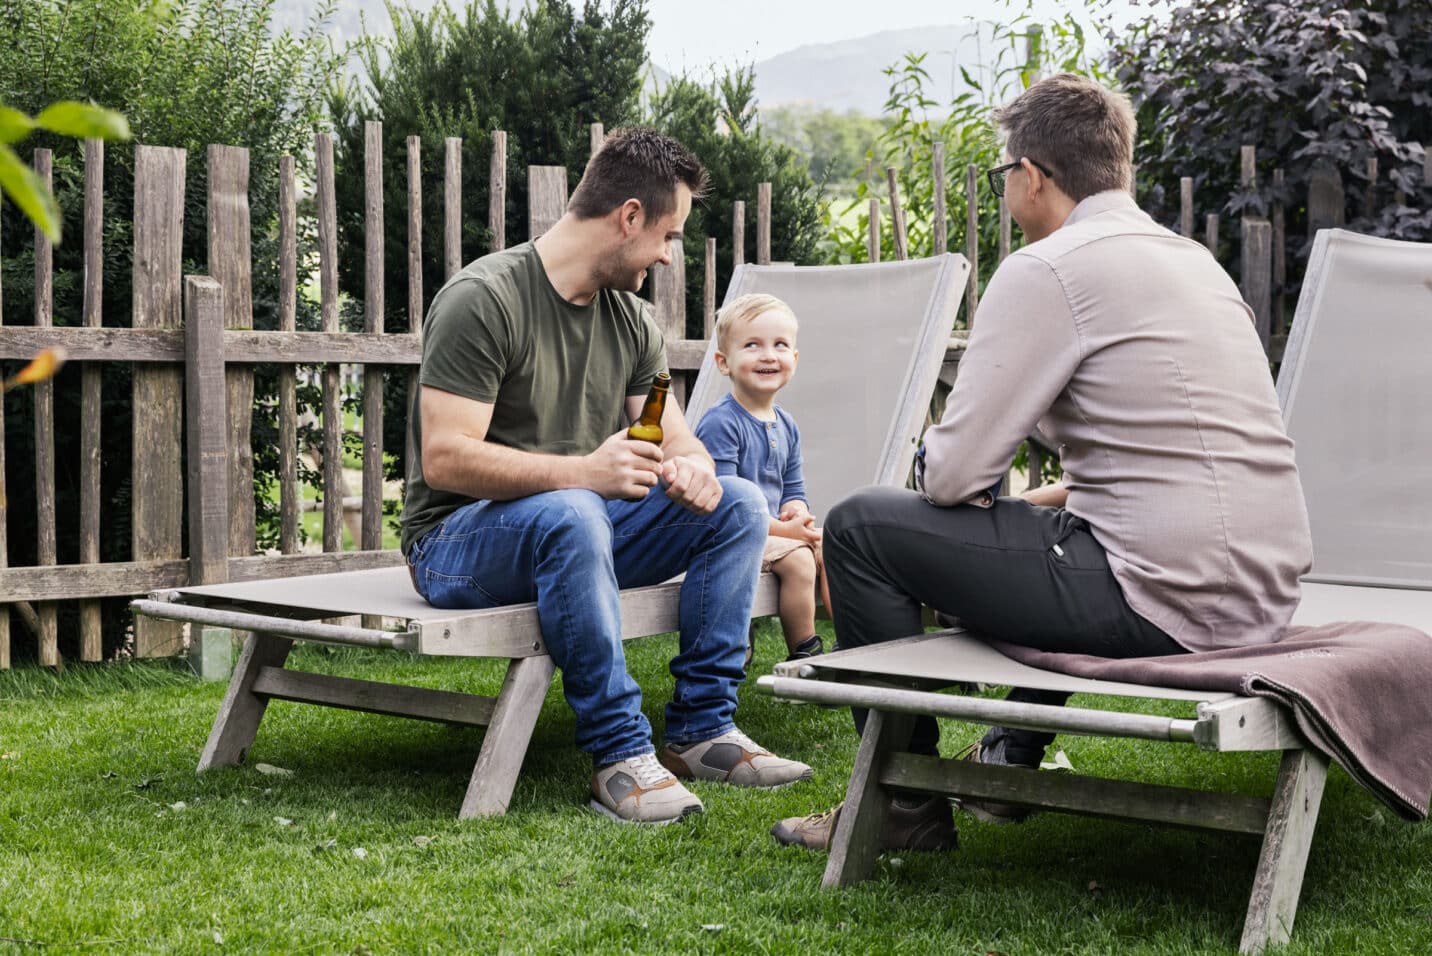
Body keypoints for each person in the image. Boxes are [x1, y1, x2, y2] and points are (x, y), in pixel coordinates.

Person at [771, 74, 1313, 851]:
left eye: (1002, 176)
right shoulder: (1195, 263)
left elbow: (955, 478)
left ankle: (904, 805)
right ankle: (1009, 757)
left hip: (1161, 598)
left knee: (860, 526)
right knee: (1055, 535)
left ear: (1030, 174)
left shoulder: (1047, 268)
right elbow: (1163, 463)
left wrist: (942, 466)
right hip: (1263, 591)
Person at [400, 127, 812, 826]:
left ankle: (701, 728)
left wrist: (697, 475)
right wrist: (585, 472)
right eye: (669, 236)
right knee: (574, 508)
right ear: (629, 218)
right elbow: (445, 458)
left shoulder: (632, 321)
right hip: (457, 545)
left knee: (739, 503)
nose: (669, 255)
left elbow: (678, 436)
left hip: (576, 530)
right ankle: (621, 754)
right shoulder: (485, 299)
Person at [695, 294, 833, 670]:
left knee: (832, 549)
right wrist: (790, 534)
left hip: (773, 531)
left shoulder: (786, 424)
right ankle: (805, 653)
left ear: (794, 360)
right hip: (730, 535)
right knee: (802, 561)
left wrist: (796, 512)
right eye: (752, 345)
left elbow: (793, 486)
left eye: (780, 345)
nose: (769, 355)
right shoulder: (722, 422)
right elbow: (724, 503)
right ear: (724, 363)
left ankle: (853, 645)